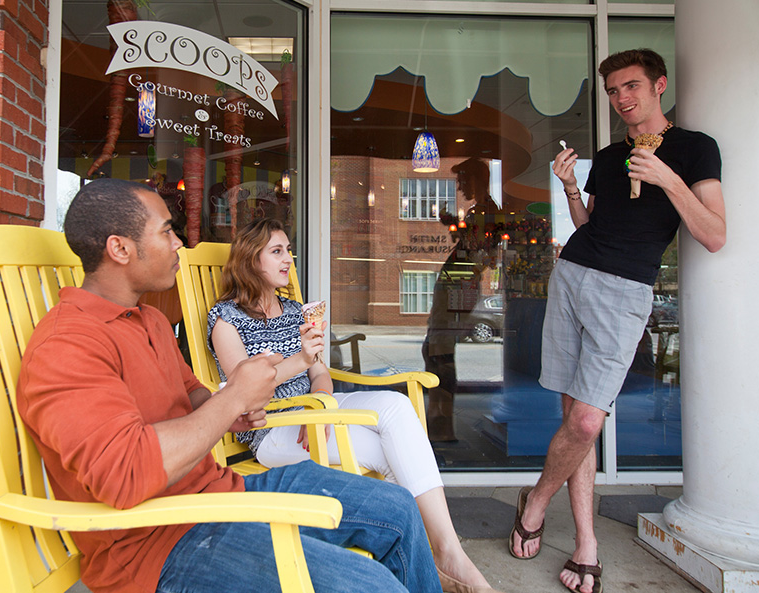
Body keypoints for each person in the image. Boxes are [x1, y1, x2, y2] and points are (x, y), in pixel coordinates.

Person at [16, 178, 444, 593]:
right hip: (155, 544)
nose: (178, 243)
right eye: (167, 231)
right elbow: (124, 474)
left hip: (219, 491)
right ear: (120, 248)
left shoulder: (149, 320)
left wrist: (234, 406)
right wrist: (234, 397)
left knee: (397, 509)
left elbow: (194, 394)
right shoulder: (67, 346)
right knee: (370, 586)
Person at [508, 49, 726, 593]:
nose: (622, 99)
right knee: (570, 415)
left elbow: (715, 234)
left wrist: (668, 180)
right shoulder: (608, 157)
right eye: (612, 91)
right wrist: (569, 189)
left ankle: (535, 499)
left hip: (627, 291)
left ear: (659, 86)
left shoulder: (696, 149)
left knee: (587, 421)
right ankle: (586, 542)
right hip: (573, 274)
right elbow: (589, 224)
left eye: (631, 86)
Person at [208, 218, 501, 593]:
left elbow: (320, 374)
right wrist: (300, 361)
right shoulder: (226, 319)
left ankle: (442, 556)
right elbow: (242, 391)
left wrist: (324, 404)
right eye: (277, 251)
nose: (288, 260)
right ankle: (435, 561)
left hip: (314, 411)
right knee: (389, 452)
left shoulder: (296, 309)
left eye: (288, 251)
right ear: (251, 261)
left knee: (396, 407)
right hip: (273, 429)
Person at [422, 158, 499, 442]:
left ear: (475, 179)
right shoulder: (482, 211)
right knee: (434, 350)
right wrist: (456, 224)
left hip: (458, 289)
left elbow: (482, 254)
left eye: (462, 180)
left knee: (440, 354)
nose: (459, 186)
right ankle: (439, 418)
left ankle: (442, 423)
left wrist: (458, 226)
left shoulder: (486, 211)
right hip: (456, 287)